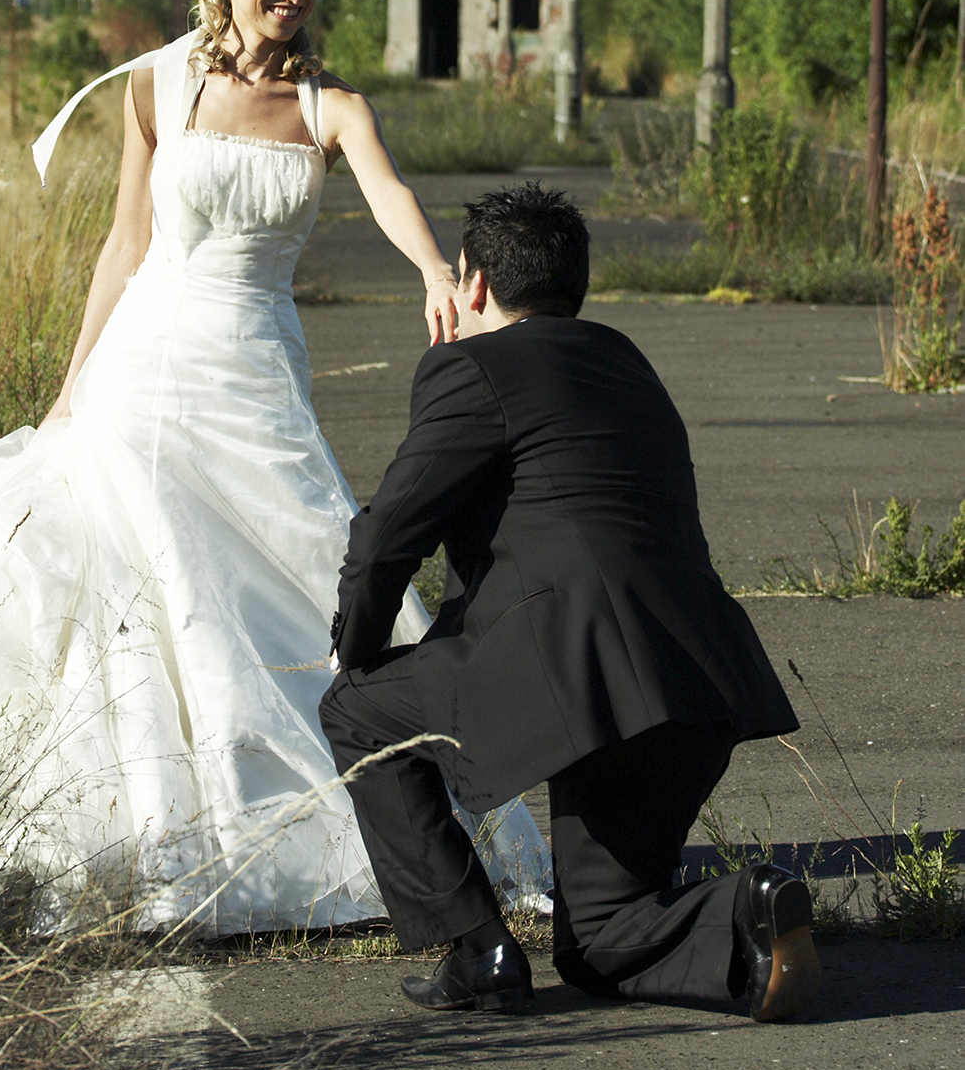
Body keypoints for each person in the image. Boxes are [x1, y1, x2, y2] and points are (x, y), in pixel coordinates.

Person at [0, 0, 550, 934]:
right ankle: (150, 822)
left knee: (301, 568)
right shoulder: (153, 84)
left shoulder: (331, 104)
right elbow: (124, 242)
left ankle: (368, 820)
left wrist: (431, 269)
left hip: (253, 368)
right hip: (143, 365)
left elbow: (387, 191)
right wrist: (73, 381)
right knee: (140, 580)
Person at [321, 182, 822, 1022]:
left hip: (578, 674)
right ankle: (750, 910)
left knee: (356, 712)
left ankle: (476, 950)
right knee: (601, 938)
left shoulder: (470, 367)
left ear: (475, 284)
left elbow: (384, 540)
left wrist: (358, 651)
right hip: (696, 682)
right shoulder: (626, 362)